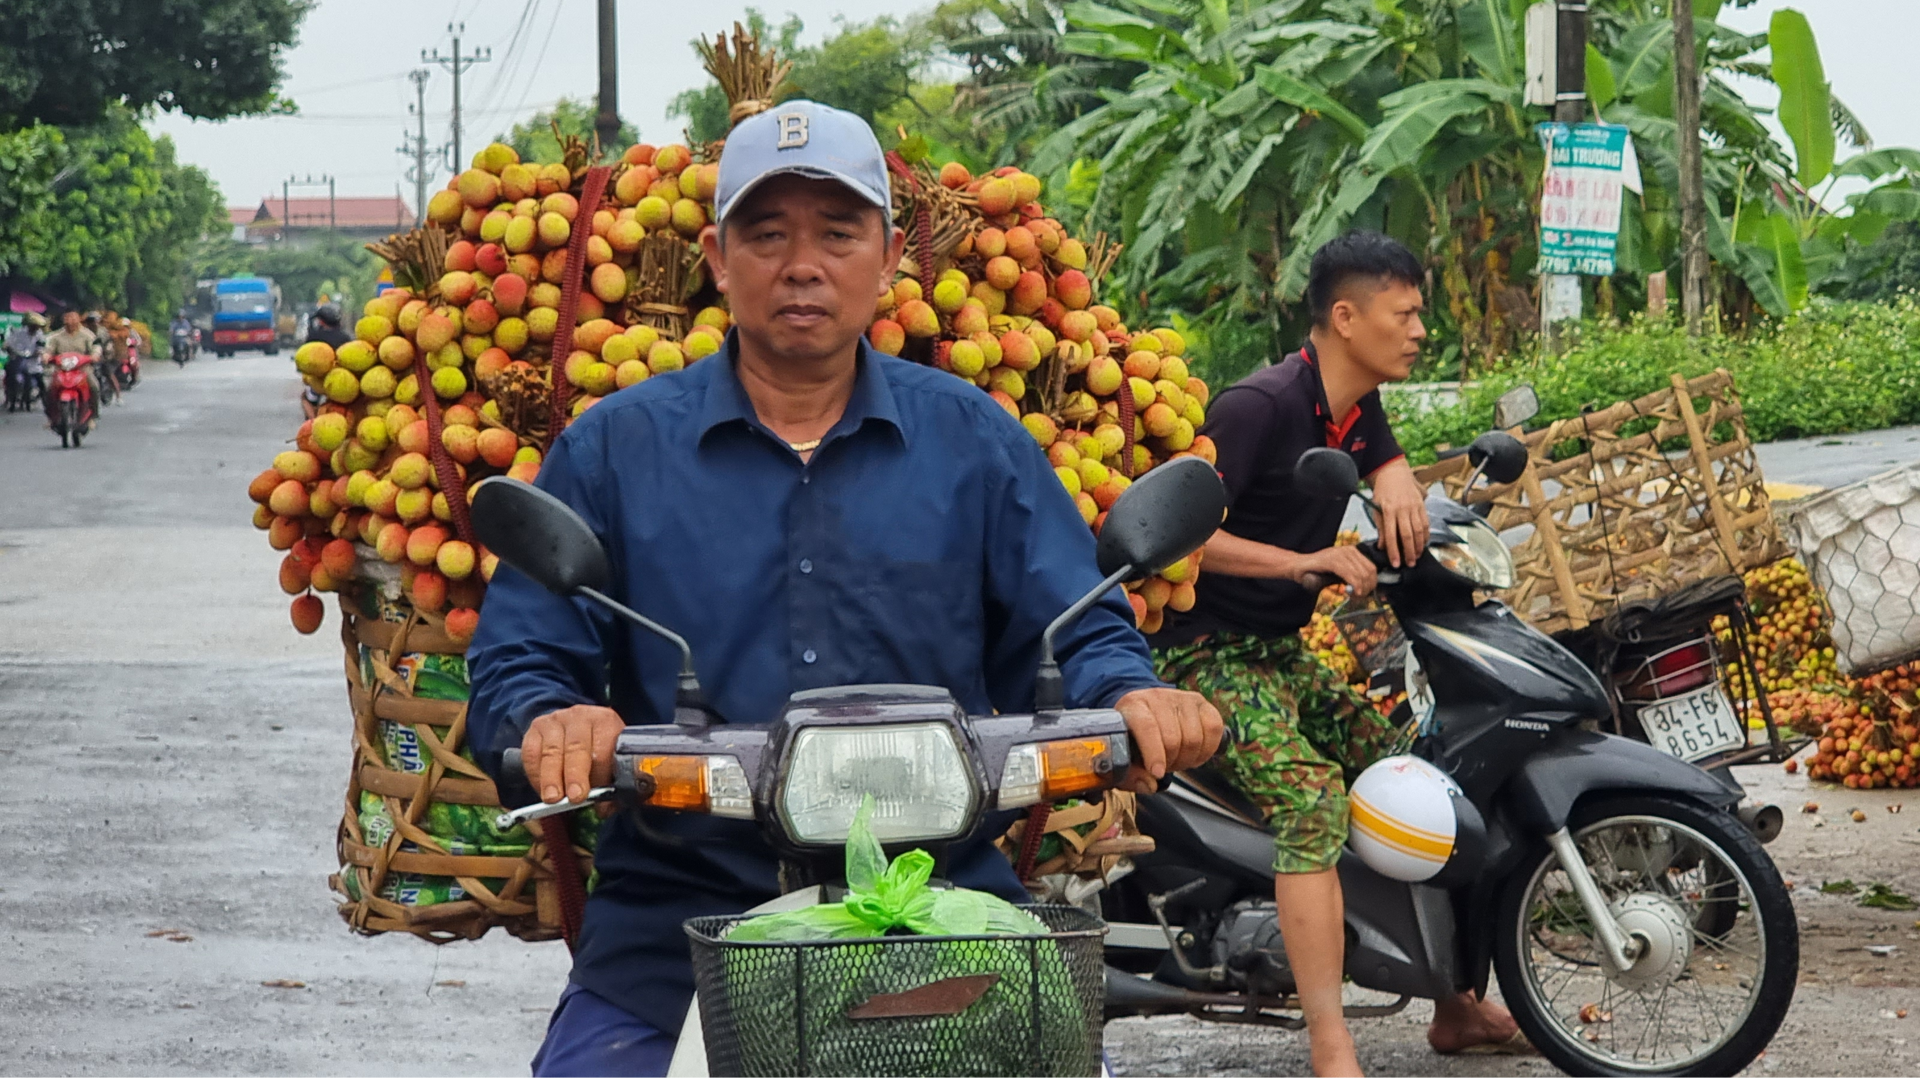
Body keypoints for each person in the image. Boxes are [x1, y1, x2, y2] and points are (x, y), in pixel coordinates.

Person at [468, 99, 1224, 1079]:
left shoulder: (977, 443)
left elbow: (1073, 628)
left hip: (949, 913)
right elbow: (522, 658)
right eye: (768, 232)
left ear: (889, 253)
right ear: (717, 254)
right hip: (679, 928)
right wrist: (554, 717)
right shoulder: (615, 449)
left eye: (837, 232)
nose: (802, 263)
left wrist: (1131, 695)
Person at [1151, 230, 1520, 1078]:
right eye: (1407, 312)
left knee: (1420, 778)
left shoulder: (1353, 403)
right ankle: (1331, 1041)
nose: (1421, 328)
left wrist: (1392, 474)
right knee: (1313, 801)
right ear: (1346, 318)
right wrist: (1302, 561)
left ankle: (1456, 1007)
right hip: (1203, 656)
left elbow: (1375, 449)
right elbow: (1178, 538)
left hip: (1279, 650)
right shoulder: (1259, 406)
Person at [40, 309, 102, 427]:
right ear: (63, 319)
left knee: (94, 386)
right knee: (48, 389)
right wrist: (46, 356)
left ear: (79, 319)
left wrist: (95, 355)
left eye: (73, 318)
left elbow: (96, 347)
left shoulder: (87, 335)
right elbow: (48, 350)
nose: (70, 321)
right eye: (67, 318)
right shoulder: (56, 336)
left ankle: (92, 416)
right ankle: (51, 417)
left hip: (82, 369)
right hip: (61, 370)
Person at [299, 306, 349, 418]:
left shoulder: (314, 336)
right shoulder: (344, 337)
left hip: (319, 380)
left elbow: (305, 357)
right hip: (341, 379)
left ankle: (311, 422)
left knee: (306, 398)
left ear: (321, 321)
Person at [5, 312, 48, 410]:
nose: (35, 328)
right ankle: (10, 396)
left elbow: (41, 345)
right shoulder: (18, 333)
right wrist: (10, 351)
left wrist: (38, 352)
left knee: (42, 383)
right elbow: (8, 344)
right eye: (33, 326)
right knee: (10, 373)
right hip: (18, 359)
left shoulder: (39, 334)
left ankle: (46, 403)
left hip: (33, 362)